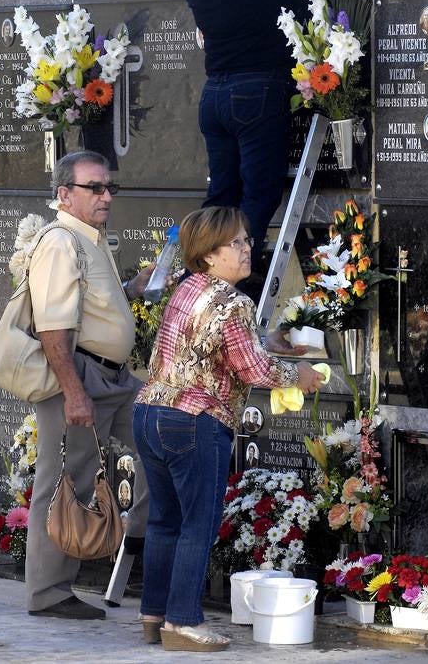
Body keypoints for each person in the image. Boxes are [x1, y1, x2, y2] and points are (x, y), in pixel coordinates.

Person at [133, 206, 326, 652]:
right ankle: (183, 623)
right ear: (208, 254)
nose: (246, 248)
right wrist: (299, 375)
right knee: (198, 524)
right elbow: (254, 369)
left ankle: (153, 615)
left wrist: (268, 341)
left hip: (149, 413)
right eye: (235, 243)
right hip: (194, 421)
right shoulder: (235, 302)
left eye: (245, 239)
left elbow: (220, 345)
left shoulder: (188, 288)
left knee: (164, 520)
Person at [25, 149, 152, 620]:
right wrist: (73, 392)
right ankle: (49, 594)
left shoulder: (90, 238)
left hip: (114, 378)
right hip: (80, 377)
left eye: (109, 188)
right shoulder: (60, 241)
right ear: (64, 195)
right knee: (66, 482)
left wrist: (133, 288)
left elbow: (93, 304)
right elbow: (51, 326)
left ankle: (137, 543)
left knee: (160, 442)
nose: (105, 196)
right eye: (94, 188)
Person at [183, 0, 308, 284]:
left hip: (214, 96)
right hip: (255, 90)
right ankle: (229, 277)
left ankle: (198, 280)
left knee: (221, 195)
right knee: (259, 192)